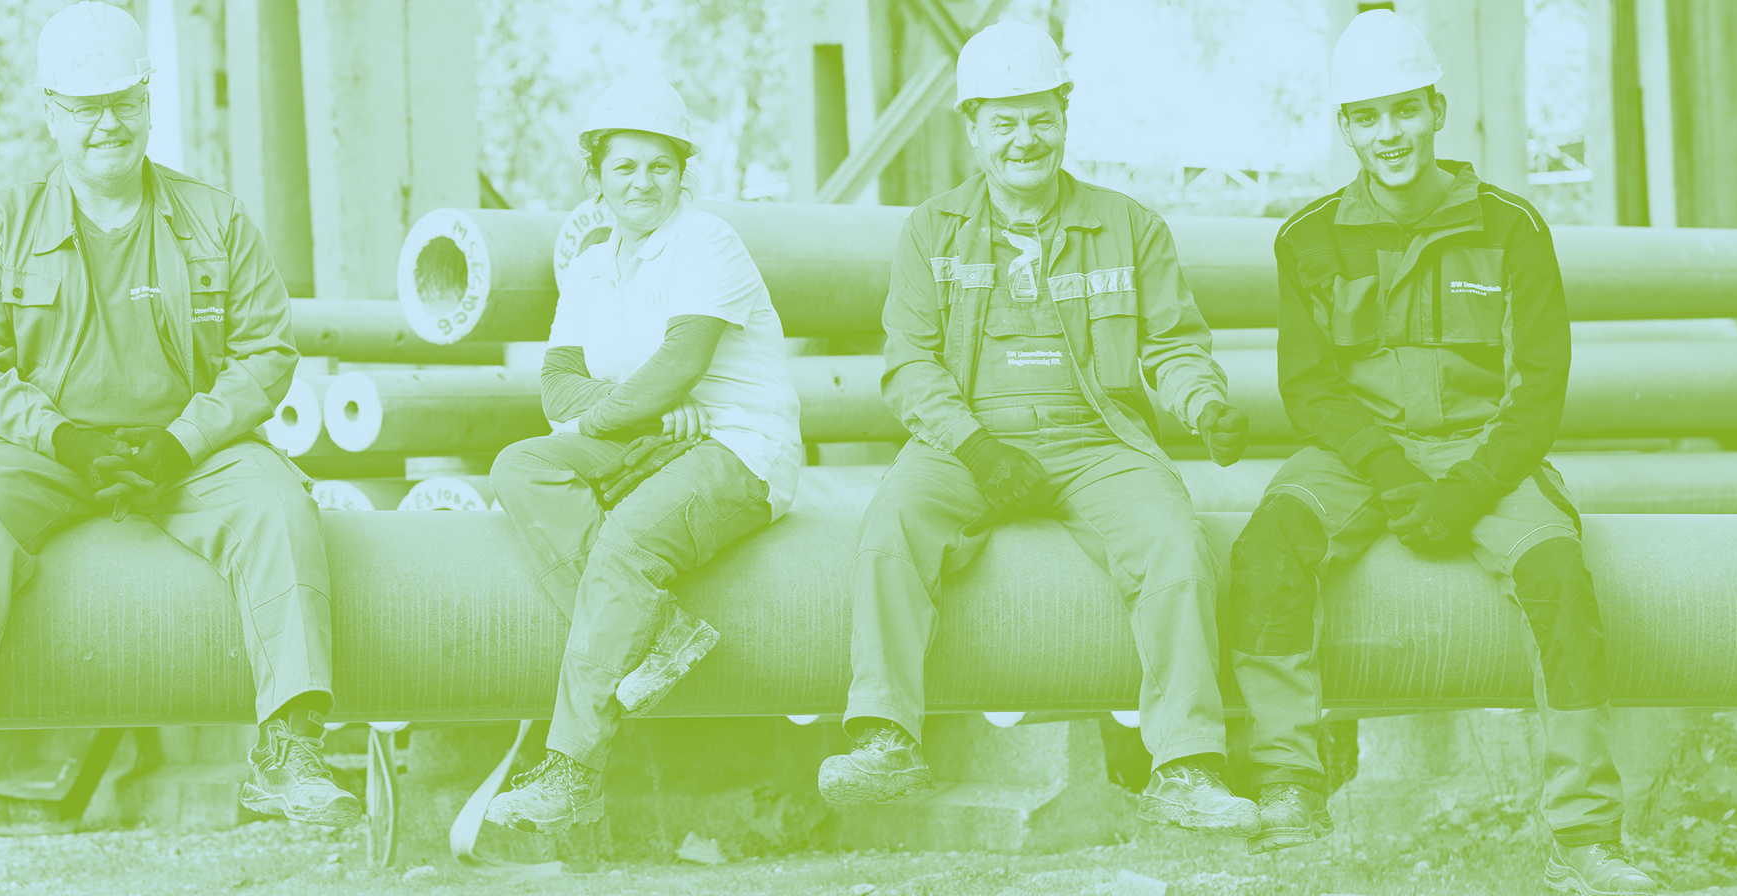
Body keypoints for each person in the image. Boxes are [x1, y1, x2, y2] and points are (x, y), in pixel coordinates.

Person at [0, 2, 358, 830]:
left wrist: (180, 443)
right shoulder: (0, 225)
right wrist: (63, 437)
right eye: (86, 107)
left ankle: (291, 751)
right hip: (47, 450)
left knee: (279, 507)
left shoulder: (216, 219)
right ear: (51, 111)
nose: (109, 124)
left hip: (195, 452)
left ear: (147, 100)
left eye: (124, 102)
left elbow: (266, 353)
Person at [1224, 11, 1659, 892]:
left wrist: (1466, 489)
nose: (1389, 133)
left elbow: (1537, 390)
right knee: (1266, 550)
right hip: (1358, 455)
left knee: (1558, 577)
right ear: (1346, 127)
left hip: (1485, 449)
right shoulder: (1307, 238)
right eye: (1368, 116)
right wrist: (1387, 470)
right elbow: (1309, 388)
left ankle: (1584, 836)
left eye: (1404, 110)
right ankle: (1290, 785)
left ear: (1437, 111)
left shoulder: (1513, 229)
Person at [814, 21, 1257, 837]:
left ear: (1064, 116)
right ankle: (885, 738)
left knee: (1175, 543)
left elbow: (1172, 344)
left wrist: (1202, 405)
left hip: (1098, 443)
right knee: (891, 526)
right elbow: (909, 365)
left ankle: (1187, 767)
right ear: (973, 127)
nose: (1026, 139)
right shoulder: (931, 231)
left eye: (1041, 118)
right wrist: (978, 448)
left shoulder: (1129, 226)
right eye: (1005, 122)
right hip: (967, 441)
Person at [480, 77, 806, 833]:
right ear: (595, 175)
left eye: (661, 166)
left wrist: (633, 404)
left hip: (736, 448)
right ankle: (663, 632)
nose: (642, 182)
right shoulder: (591, 264)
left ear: (683, 171)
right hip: (652, 438)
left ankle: (572, 772)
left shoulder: (707, 242)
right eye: (624, 166)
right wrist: (640, 411)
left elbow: (680, 364)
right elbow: (556, 385)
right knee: (521, 466)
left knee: (624, 544)